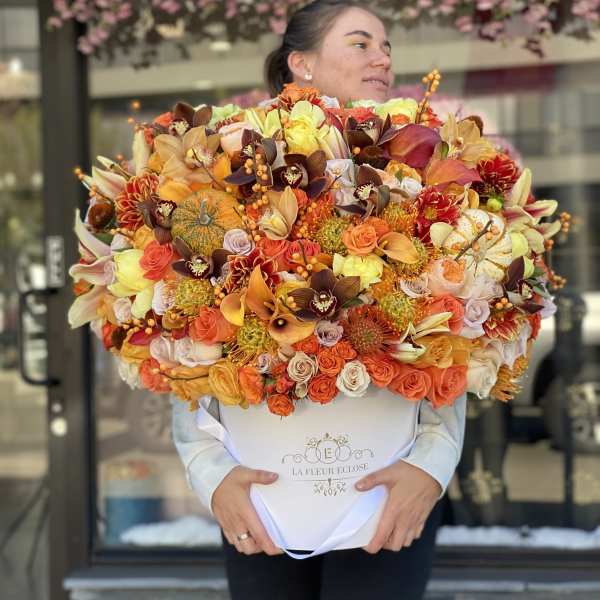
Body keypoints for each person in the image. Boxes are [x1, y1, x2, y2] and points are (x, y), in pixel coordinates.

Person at [172, 1, 466, 598]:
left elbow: (455, 333)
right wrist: (211, 473)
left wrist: (430, 468)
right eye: (361, 43)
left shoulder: (420, 167)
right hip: (260, 497)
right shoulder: (236, 162)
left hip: (389, 494)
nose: (382, 58)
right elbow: (185, 322)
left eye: (386, 46)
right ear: (300, 63)